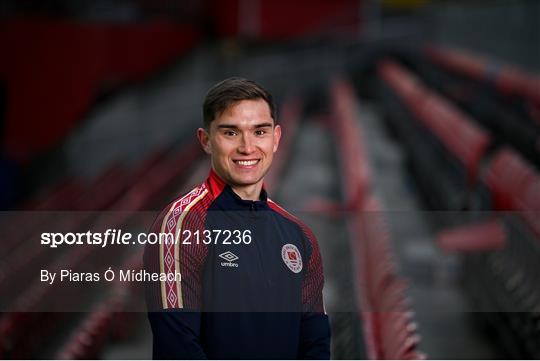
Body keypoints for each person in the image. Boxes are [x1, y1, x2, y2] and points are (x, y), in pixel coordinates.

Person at [144, 77, 331, 359]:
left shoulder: (299, 235)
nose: (247, 147)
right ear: (206, 141)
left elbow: (315, 344)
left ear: (276, 138)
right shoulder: (182, 225)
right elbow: (178, 348)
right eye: (231, 133)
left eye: (259, 132)